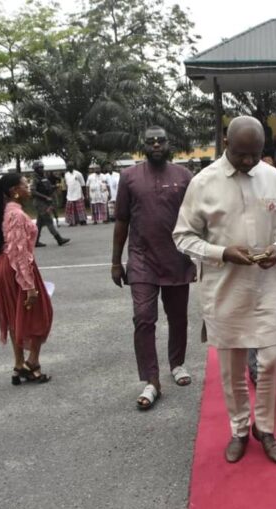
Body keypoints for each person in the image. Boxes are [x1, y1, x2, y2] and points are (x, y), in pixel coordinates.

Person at [173, 116, 276, 465]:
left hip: (268, 286)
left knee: (273, 359)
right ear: (226, 143)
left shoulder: (274, 178)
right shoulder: (203, 183)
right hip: (224, 289)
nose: (248, 162)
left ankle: (267, 428)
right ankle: (240, 430)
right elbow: (183, 236)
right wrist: (222, 253)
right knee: (231, 369)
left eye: (255, 155)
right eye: (242, 154)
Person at [111, 127, 197, 410]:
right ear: (143, 146)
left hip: (176, 258)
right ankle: (152, 379)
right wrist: (115, 261)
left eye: (161, 140)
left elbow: (197, 218)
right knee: (144, 318)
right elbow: (122, 220)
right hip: (141, 259)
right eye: (151, 141)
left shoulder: (184, 177)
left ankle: (177, 363)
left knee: (178, 318)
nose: (157, 144)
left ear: (169, 143)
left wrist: (201, 256)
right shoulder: (129, 177)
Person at [0, 172, 52, 385]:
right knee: (39, 314)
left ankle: (19, 365)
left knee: (16, 316)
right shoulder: (15, 214)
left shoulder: (6, 211)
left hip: (3, 266)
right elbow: (19, 251)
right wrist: (29, 286)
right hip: (16, 268)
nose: (29, 186)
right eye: (25, 184)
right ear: (15, 191)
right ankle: (31, 363)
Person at [31, 161, 69, 248]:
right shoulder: (35, 179)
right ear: (36, 169)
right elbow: (33, 191)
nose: (42, 169)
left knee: (39, 224)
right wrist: (45, 197)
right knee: (49, 221)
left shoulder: (43, 178)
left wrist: (54, 187)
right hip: (40, 203)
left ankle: (35, 241)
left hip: (45, 202)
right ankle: (59, 239)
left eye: (42, 168)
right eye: (40, 168)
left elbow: (47, 187)